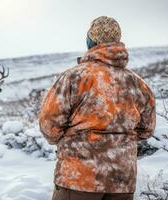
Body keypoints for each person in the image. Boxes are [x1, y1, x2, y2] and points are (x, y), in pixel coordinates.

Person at [38, 16, 156, 200]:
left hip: (79, 179)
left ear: (91, 41)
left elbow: (49, 125)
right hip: (122, 180)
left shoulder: (74, 77)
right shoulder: (137, 83)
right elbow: (146, 129)